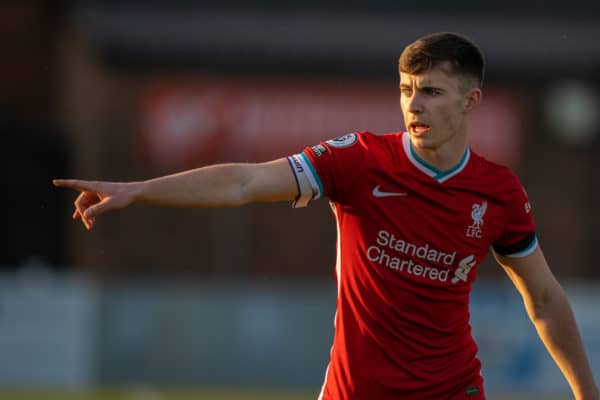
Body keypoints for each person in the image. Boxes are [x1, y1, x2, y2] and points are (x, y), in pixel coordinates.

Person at [54, 32, 598, 400]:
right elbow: (246, 180)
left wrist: (586, 394)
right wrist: (139, 190)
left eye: (431, 92)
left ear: (470, 101)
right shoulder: (359, 160)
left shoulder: (498, 192)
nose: (414, 105)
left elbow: (544, 298)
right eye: (407, 90)